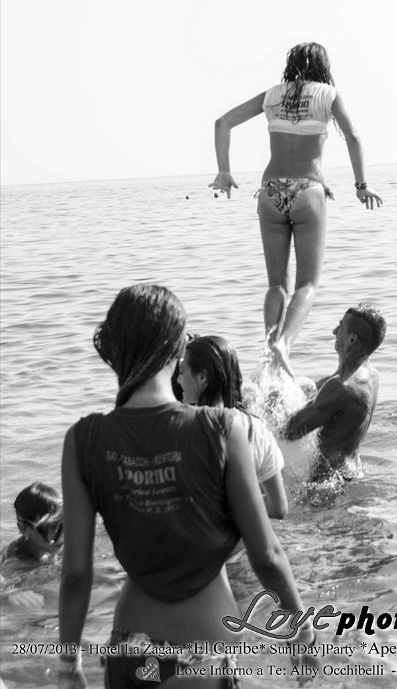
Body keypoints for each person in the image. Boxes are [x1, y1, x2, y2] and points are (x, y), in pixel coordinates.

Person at [58, 284, 318, 689]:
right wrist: (301, 631)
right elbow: (266, 555)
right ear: (178, 349)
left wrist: (68, 663)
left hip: (128, 647)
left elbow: (76, 573)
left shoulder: (83, 438)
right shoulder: (222, 429)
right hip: (202, 652)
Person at [209, 43, 382, 368]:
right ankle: (284, 345)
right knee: (307, 284)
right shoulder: (328, 95)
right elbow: (354, 138)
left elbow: (222, 122)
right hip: (307, 190)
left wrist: (224, 171)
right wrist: (361, 186)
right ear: (323, 67)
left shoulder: (271, 96)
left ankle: (269, 351)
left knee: (276, 284)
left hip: (271, 191)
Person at [176, 335, 287, 519]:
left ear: (202, 377)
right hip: (245, 535)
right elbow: (278, 508)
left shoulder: (182, 427)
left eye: (182, 372)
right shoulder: (257, 428)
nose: (179, 380)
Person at [280, 304, 385, 481]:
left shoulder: (342, 387)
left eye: (340, 326)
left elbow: (290, 431)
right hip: (352, 472)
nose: (334, 331)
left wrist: (276, 404)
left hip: (328, 483)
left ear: (352, 339)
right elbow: (331, 390)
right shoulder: (370, 375)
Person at [1, 482, 63, 563]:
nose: (62, 534)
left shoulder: (50, 543)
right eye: (52, 527)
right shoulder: (18, 563)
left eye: (65, 524)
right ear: (24, 528)